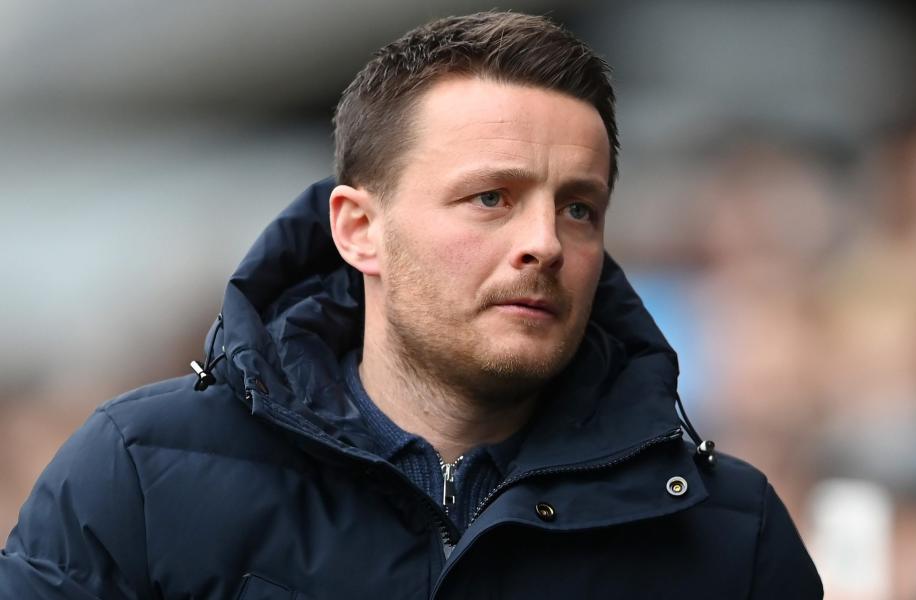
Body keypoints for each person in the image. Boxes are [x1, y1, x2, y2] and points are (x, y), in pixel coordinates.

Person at [0, 11, 822, 599]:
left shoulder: (728, 532)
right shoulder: (139, 473)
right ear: (360, 230)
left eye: (579, 207)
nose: (544, 241)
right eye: (491, 198)